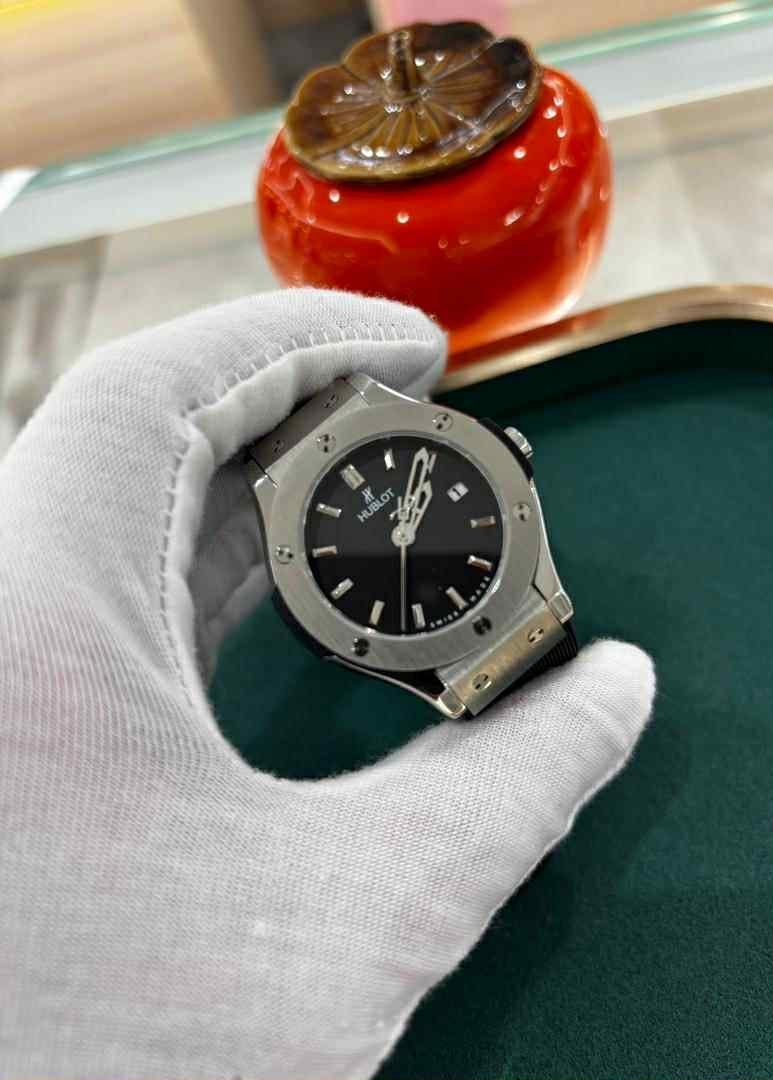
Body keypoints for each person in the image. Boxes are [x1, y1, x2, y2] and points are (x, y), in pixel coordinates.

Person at [0, 289, 655, 1078]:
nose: (402, 532)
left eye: (407, 520)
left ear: (503, 455)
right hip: (442, 646)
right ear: (320, 625)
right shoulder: (294, 510)